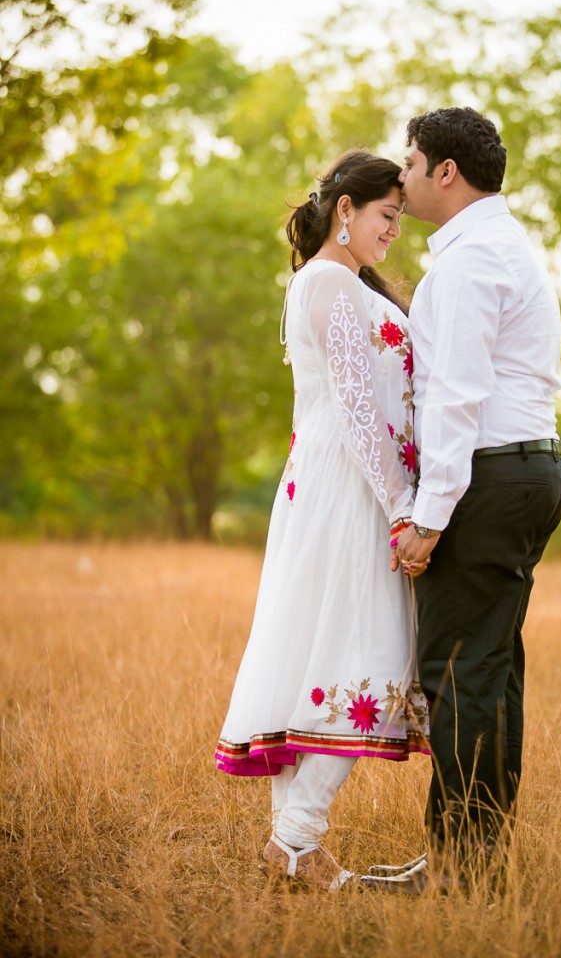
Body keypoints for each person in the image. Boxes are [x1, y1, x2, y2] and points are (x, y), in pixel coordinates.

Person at [363, 107, 561, 894]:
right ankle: (471, 859)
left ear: (445, 171)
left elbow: (451, 396)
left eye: (410, 163)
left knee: (458, 674)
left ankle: (459, 871)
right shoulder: (500, 246)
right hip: (525, 469)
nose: (402, 176)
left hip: (484, 479)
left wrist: (428, 516)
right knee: (489, 670)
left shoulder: (467, 261)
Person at [215, 149, 429, 891]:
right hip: (352, 495)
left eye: (398, 218)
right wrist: (402, 509)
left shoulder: (334, 282)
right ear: (347, 210)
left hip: (344, 486)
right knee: (363, 659)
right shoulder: (332, 282)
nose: (394, 230)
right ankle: (295, 839)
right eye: (386, 215)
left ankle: (295, 845)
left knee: (329, 661)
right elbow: (356, 409)